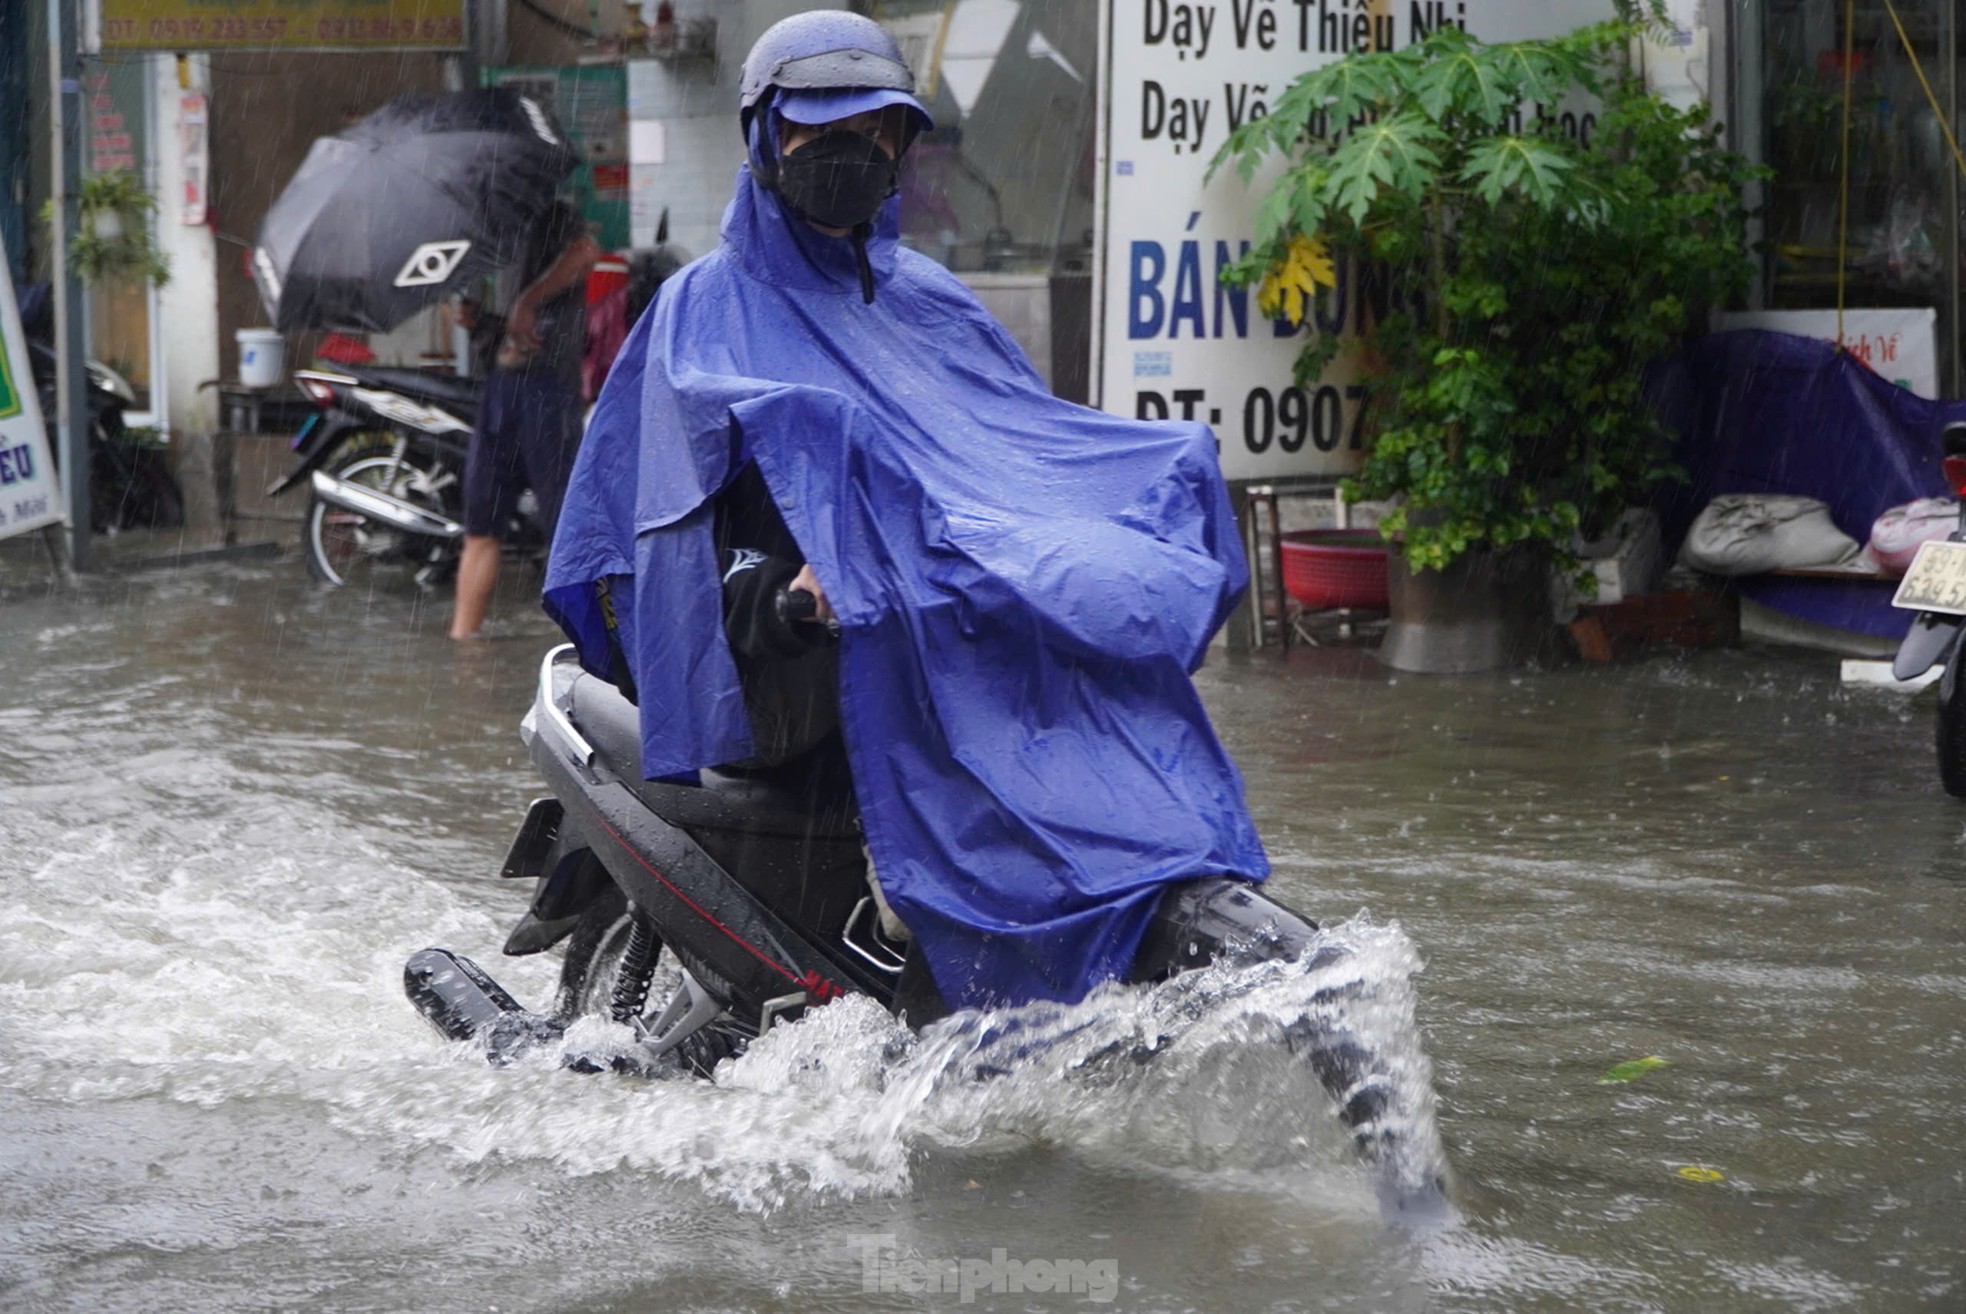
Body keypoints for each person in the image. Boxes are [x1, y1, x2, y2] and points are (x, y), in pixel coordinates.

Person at [544, 11, 1267, 1012]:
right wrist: (786, 599)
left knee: (1099, 696)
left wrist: (1114, 517)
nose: (854, 151)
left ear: (901, 143)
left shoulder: (934, 302)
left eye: (877, 130)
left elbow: (1015, 463)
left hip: (935, 632)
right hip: (793, 663)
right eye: (822, 129)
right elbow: (663, 542)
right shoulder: (700, 314)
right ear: (766, 136)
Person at [449, 201, 601, 640]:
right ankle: (464, 648)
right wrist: (480, 321)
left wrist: (528, 301)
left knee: (566, 531)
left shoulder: (552, 212)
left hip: (548, 392)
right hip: (501, 388)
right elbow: (510, 327)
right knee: (480, 528)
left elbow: (586, 253)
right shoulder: (495, 228)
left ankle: (584, 648)